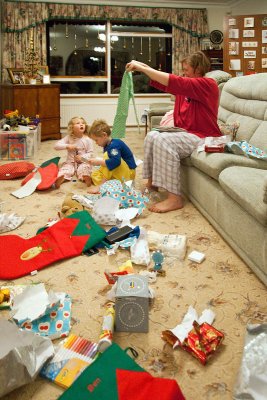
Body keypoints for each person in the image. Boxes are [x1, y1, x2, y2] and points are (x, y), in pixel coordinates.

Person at [125, 51, 222, 213]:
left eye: (186, 69)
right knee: (153, 135)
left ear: (198, 69)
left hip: (204, 137)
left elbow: (174, 80)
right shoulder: (186, 87)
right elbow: (164, 81)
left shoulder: (207, 85)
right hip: (185, 133)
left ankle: (175, 198)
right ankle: (152, 183)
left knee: (164, 141)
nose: (183, 72)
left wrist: (142, 69)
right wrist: (141, 66)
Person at [86, 119, 137, 194]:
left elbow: (116, 162)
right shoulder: (107, 145)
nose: (96, 143)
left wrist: (99, 161)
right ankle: (112, 184)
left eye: (96, 140)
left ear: (104, 135)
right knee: (95, 174)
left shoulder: (114, 146)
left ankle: (102, 186)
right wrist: (98, 162)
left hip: (128, 173)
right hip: (120, 171)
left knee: (107, 157)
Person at [54, 116, 94, 188]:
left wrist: (82, 157)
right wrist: (67, 146)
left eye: (83, 123)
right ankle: (61, 178)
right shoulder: (69, 137)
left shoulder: (88, 139)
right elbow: (56, 146)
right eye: (78, 123)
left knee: (85, 167)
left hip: (83, 161)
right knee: (66, 169)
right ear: (72, 127)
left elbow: (91, 153)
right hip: (70, 162)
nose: (81, 124)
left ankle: (86, 177)